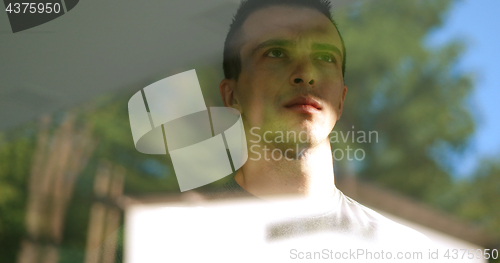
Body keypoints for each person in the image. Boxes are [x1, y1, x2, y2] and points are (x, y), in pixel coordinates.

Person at [199, 0, 431, 250]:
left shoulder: (409, 251)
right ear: (232, 96)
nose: (306, 73)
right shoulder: (177, 240)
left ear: (340, 101)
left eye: (324, 56)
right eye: (276, 52)